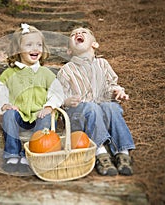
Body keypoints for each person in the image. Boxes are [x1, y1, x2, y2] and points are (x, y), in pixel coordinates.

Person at [57, 27, 135, 176]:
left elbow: (111, 84)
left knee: (111, 107)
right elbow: (59, 97)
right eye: (73, 34)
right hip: (80, 119)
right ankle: (101, 154)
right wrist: (67, 101)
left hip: (104, 115)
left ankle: (123, 153)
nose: (78, 34)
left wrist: (117, 91)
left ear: (95, 44)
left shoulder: (103, 64)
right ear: (69, 51)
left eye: (83, 32)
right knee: (91, 107)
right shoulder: (66, 70)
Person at [0, 23, 64, 173]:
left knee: (45, 118)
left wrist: (49, 106)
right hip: (19, 115)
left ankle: (30, 154)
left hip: (39, 115)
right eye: (29, 45)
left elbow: (57, 93)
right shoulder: (9, 74)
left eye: (39, 44)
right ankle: (12, 154)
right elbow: (0, 93)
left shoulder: (46, 73)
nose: (35, 48)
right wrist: (5, 104)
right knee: (9, 114)